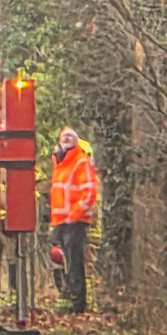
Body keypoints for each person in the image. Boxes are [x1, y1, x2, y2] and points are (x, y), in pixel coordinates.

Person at [47, 127, 100, 313]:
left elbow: (89, 193)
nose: (66, 138)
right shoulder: (59, 164)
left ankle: (78, 304)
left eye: (70, 136)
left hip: (75, 222)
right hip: (60, 222)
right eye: (63, 136)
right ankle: (67, 300)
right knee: (61, 260)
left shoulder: (81, 162)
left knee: (75, 262)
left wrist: (75, 215)